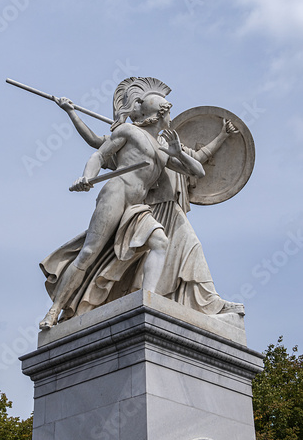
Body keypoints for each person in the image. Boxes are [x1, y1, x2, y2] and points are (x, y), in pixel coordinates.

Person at [40, 77, 244, 327]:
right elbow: (98, 152)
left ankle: (148, 301)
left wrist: (177, 152)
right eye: (168, 113)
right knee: (89, 252)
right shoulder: (128, 131)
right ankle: (55, 310)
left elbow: (198, 171)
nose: (171, 118)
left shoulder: (163, 148)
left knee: (159, 241)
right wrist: (87, 176)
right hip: (117, 193)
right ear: (158, 116)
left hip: (137, 206)